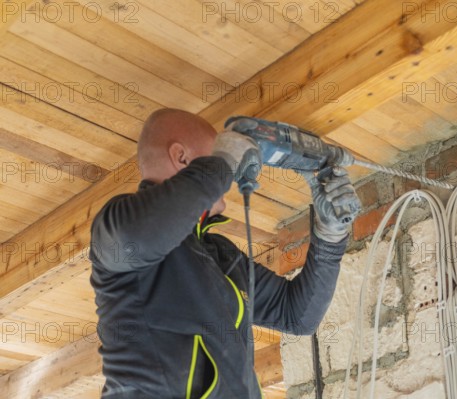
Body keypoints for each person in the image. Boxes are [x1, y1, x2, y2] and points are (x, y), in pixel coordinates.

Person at [90, 108, 361, 398]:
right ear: (181, 158)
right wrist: (222, 163)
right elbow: (141, 235)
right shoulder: (115, 225)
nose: (229, 177)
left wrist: (330, 235)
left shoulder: (221, 256)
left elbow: (297, 314)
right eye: (219, 155)